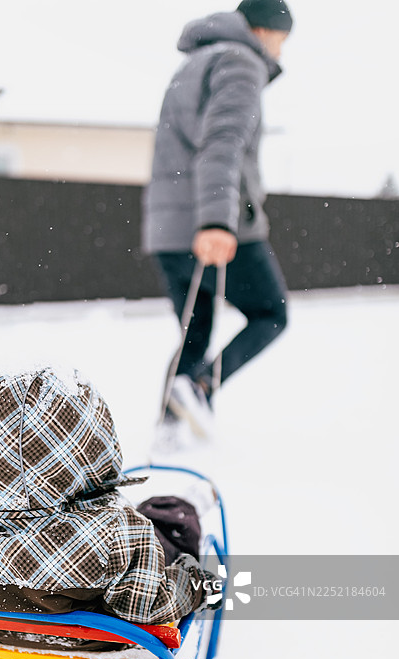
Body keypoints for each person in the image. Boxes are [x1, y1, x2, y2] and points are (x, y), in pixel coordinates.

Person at [0, 363, 219, 659]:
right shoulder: (118, 530)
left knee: (127, 527)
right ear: (90, 442)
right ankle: (188, 510)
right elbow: (148, 608)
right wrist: (194, 582)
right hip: (96, 650)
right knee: (167, 529)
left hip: (8, 640)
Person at [143, 0, 293, 434]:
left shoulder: (190, 66)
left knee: (195, 329)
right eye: (281, 42)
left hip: (167, 225)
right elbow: (221, 145)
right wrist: (216, 222)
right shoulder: (241, 62)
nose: (279, 55)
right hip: (214, 220)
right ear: (264, 31)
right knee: (271, 312)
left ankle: (169, 430)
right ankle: (202, 387)